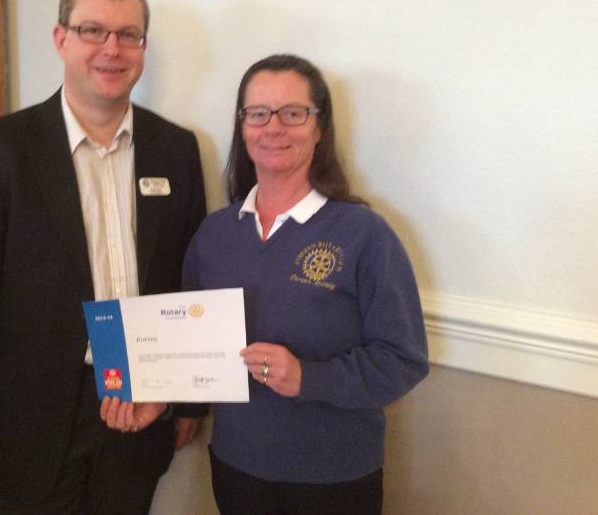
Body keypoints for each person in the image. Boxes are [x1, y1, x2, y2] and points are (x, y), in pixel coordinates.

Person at [0, 0, 207, 515]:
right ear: (61, 39)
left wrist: (188, 398)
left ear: (143, 46)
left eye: (129, 35)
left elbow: (186, 283)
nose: (112, 49)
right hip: (30, 426)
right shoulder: (1, 151)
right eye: (93, 30)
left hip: (137, 410)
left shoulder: (176, 150)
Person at [182, 54, 429, 514]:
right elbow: (188, 342)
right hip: (237, 466)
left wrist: (309, 378)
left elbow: (403, 359)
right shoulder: (214, 234)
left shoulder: (364, 233)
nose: (273, 127)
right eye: (258, 113)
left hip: (333, 476)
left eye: (293, 113)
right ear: (242, 127)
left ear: (320, 127)